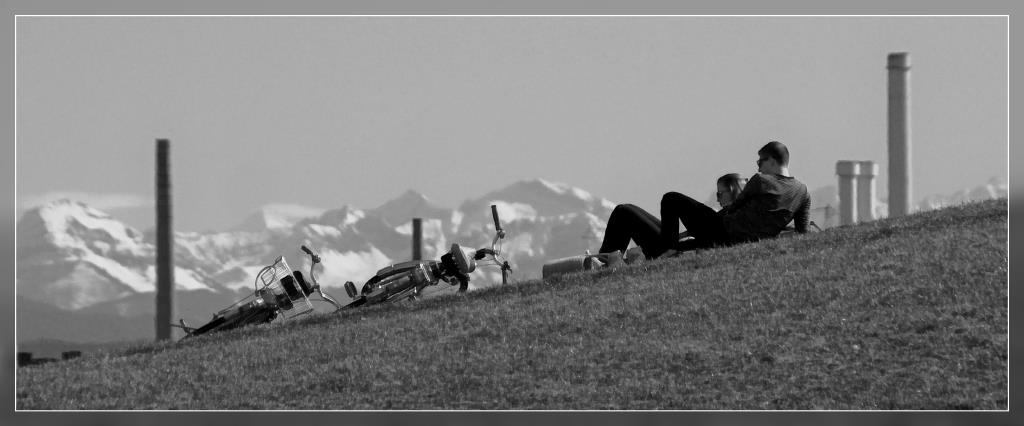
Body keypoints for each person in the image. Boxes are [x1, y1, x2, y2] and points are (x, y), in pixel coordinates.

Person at [599, 141, 811, 258]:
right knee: (625, 210)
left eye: (760, 161)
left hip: (721, 232)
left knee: (670, 199)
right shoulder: (803, 193)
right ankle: (665, 248)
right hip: (723, 240)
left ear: (773, 161)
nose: (757, 166)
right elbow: (804, 235)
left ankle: (666, 251)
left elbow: (734, 208)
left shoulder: (762, 180)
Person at [598, 173, 747, 259]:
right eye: (717, 194)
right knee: (624, 210)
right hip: (675, 245)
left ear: (734, 191)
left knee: (625, 212)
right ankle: (605, 259)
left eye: (721, 193)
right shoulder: (728, 215)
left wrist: (676, 248)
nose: (718, 198)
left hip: (671, 251)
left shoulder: (736, 216)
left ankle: (604, 261)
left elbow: (712, 242)